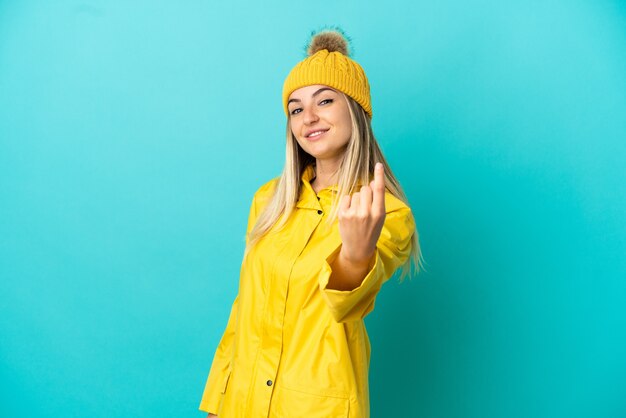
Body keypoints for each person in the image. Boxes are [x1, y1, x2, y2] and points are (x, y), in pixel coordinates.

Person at [199, 27, 423, 418]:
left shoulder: (386, 212)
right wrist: (220, 401)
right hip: (243, 404)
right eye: (296, 109)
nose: (309, 118)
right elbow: (244, 310)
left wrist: (355, 254)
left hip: (316, 407)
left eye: (325, 101)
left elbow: (349, 305)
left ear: (355, 109)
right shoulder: (269, 201)